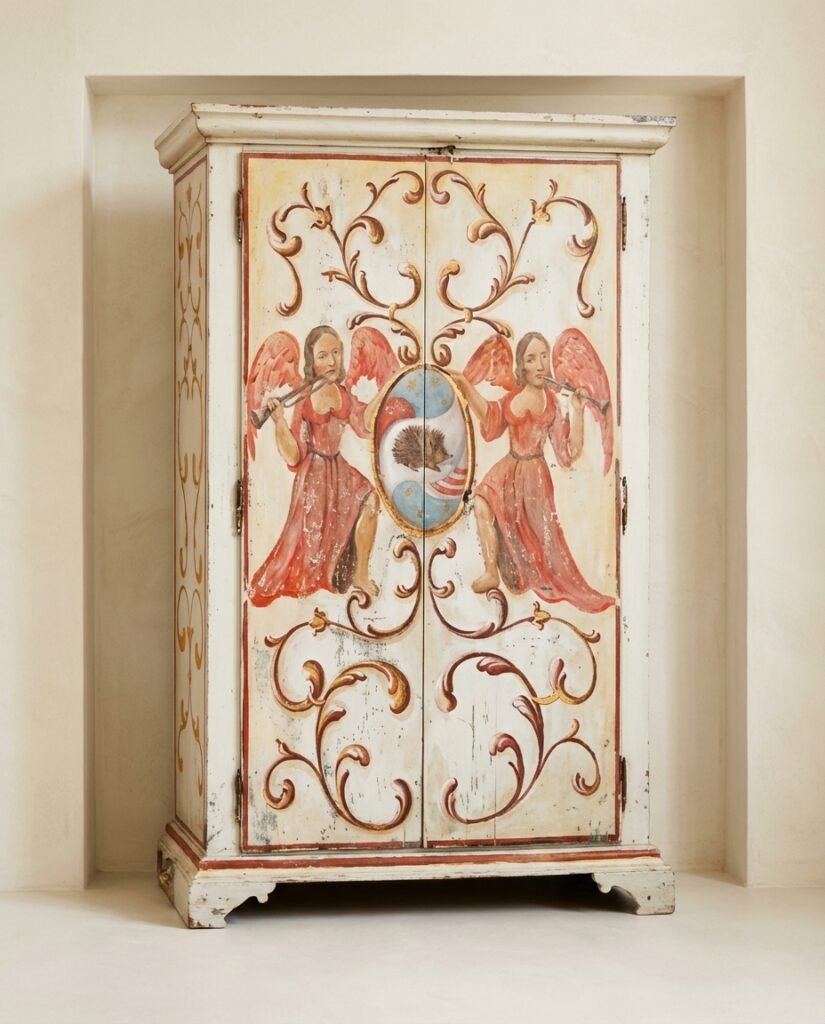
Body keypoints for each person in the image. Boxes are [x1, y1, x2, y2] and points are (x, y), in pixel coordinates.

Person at [453, 331, 614, 614]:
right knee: (481, 502)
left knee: (540, 539)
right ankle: (490, 571)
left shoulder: (552, 403)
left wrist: (577, 411)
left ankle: (534, 575)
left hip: (534, 477)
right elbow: (490, 418)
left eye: (543, 356)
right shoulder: (513, 398)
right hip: (510, 467)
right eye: (531, 359)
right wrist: (466, 386)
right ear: (522, 366)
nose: (540, 365)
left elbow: (567, 453)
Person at [249, 325, 382, 605]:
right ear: (312, 361)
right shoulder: (305, 397)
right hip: (314, 476)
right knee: (311, 547)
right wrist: (279, 421)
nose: (332, 361)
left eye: (336, 353)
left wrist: (384, 393)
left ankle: (360, 573)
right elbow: (294, 456)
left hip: (339, 469)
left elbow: (363, 425)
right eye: (323, 356)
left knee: (371, 500)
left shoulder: (342, 393)